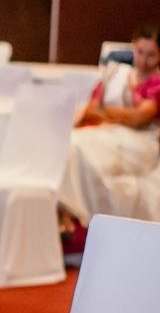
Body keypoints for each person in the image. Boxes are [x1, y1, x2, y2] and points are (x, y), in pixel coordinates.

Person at [59, 24, 160, 231]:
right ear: (133, 47)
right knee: (69, 143)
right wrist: (119, 115)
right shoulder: (115, 74)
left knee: (81, 148)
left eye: (151, 55)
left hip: (139, 141)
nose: (143, 60)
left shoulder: (156, 84)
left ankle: (81, 217)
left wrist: (106, 112)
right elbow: (91, 109)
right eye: (140, 52)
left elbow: (139, 118)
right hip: (104, 132)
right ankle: (67, 214)